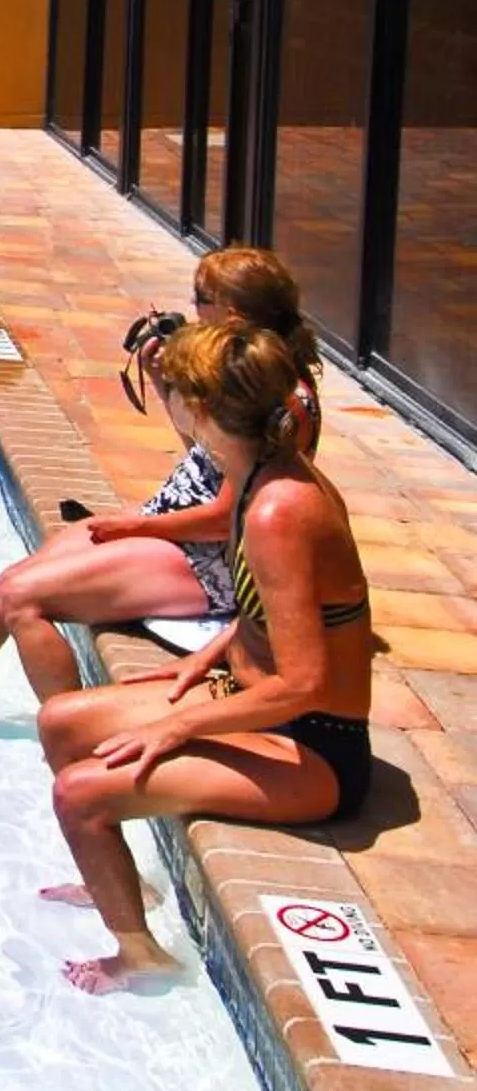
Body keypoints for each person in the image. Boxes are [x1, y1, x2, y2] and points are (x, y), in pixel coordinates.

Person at [37, 318, 374, 995]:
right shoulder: (252, 479)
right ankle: (127, 884)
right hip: (244, 696)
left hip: (313, 747)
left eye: (180, 392)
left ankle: (141, 958)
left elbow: (305, 682)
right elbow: (274, 612)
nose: (175, 405)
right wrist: (208, 658)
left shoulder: (280, 510)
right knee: (62, 722)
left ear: (211, 411)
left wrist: (179, 724)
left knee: (81, 795)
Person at [0, 245, 323, 709]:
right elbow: (214, 457)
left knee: (23, 599)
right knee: (12, 579)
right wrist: (160, 382)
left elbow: (224, 517)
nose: (192, 310)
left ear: (234, 315)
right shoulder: (249, 374)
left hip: (208, 561)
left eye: (201, 299)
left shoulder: (286, 402)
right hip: (173, 526)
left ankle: (75, 722)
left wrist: (134, 526)